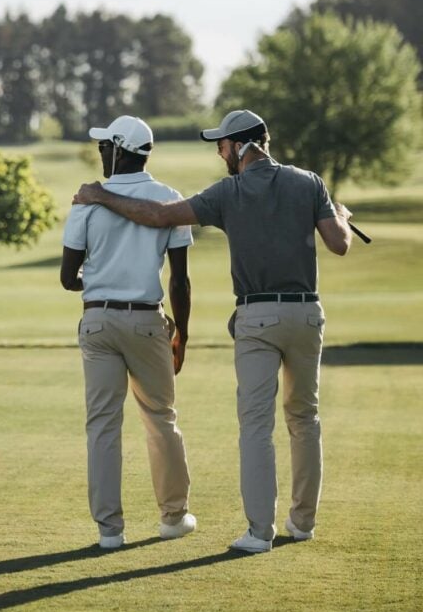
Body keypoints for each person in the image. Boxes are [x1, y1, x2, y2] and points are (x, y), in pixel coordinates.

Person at [73, 109, 353, 554]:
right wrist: (339, 213)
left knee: (256, 427)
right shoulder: (310, 182)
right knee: (305, 419)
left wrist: (101, 196)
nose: (219, 152)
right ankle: (302, 524)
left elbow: (158, 216)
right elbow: (338, 242)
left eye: (220, 145)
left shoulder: (228, 191)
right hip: (306, 315)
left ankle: (259, 534)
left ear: (238, 146)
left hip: (257, 319)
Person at [60, 115, 196, 550]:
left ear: (119, 149)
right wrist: (184, 334)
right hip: (147, 320)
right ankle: (173, 518)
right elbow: (179, 279)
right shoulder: (169, 199)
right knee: (161, 418)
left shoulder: (86, 200)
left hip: (98, 320)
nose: (100, 153)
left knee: (102, 425)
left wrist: (100, 282)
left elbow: (67, 276)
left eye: (105, 146)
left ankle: (109, 531)